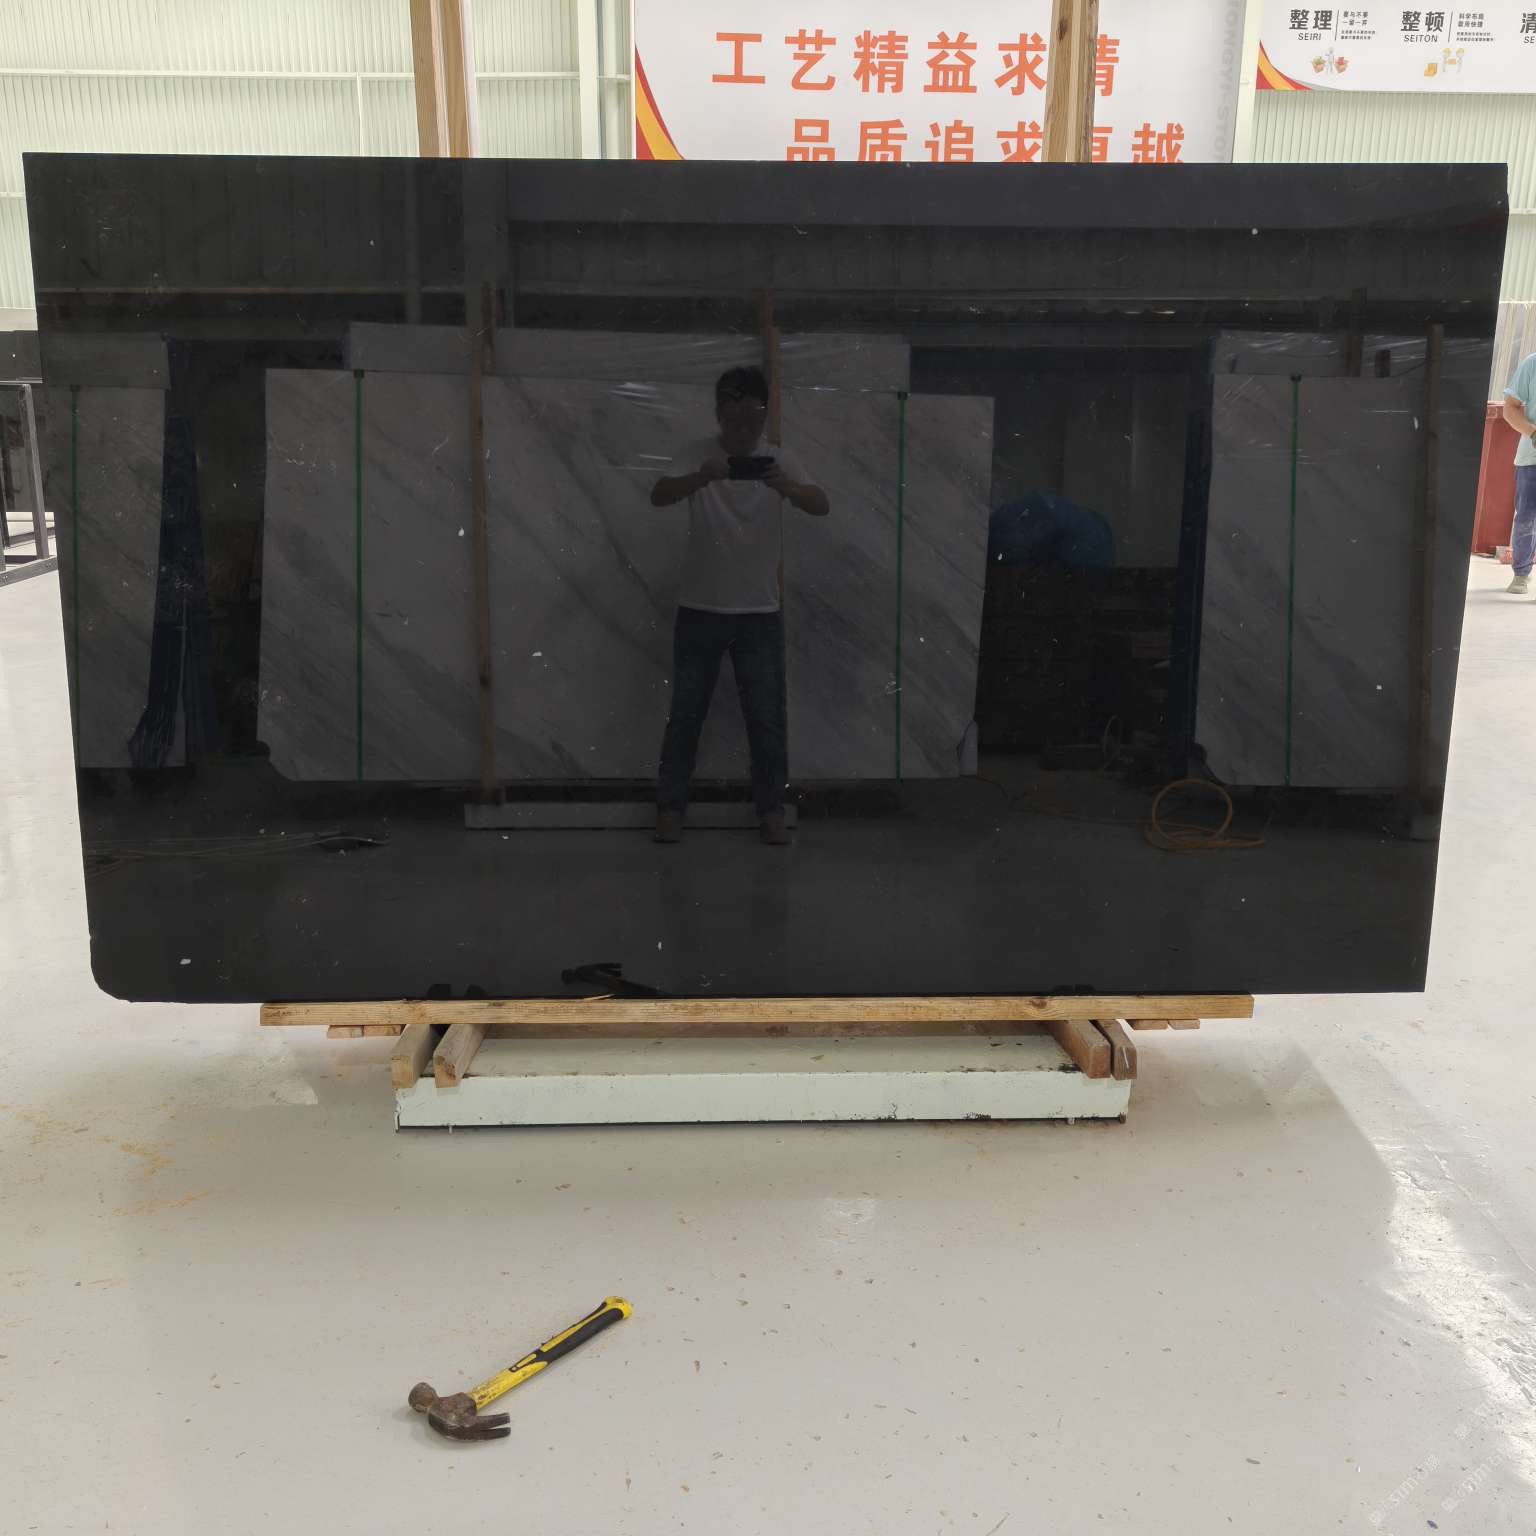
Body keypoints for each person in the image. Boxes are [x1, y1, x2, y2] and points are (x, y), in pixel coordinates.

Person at [649, 366, 830, 846]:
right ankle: (670, 808)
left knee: (766, 719)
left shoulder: (780, 459)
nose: (746, 431)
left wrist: (787, 488)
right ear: (719, 415)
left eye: (754, 420)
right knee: (686, 713)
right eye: (736, 420)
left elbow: (821, 503)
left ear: (764, 416)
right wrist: (699, 477)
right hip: (700, 608)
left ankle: (771, 810)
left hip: (758, 613)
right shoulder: (697, 454)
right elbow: (658, 495)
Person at [1502, 350, 1536, 595]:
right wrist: (1533, 433)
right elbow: (1510, 409)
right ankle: (1521, 572)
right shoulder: (1532, 364)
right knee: (1526, 517)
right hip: (1532, 458)